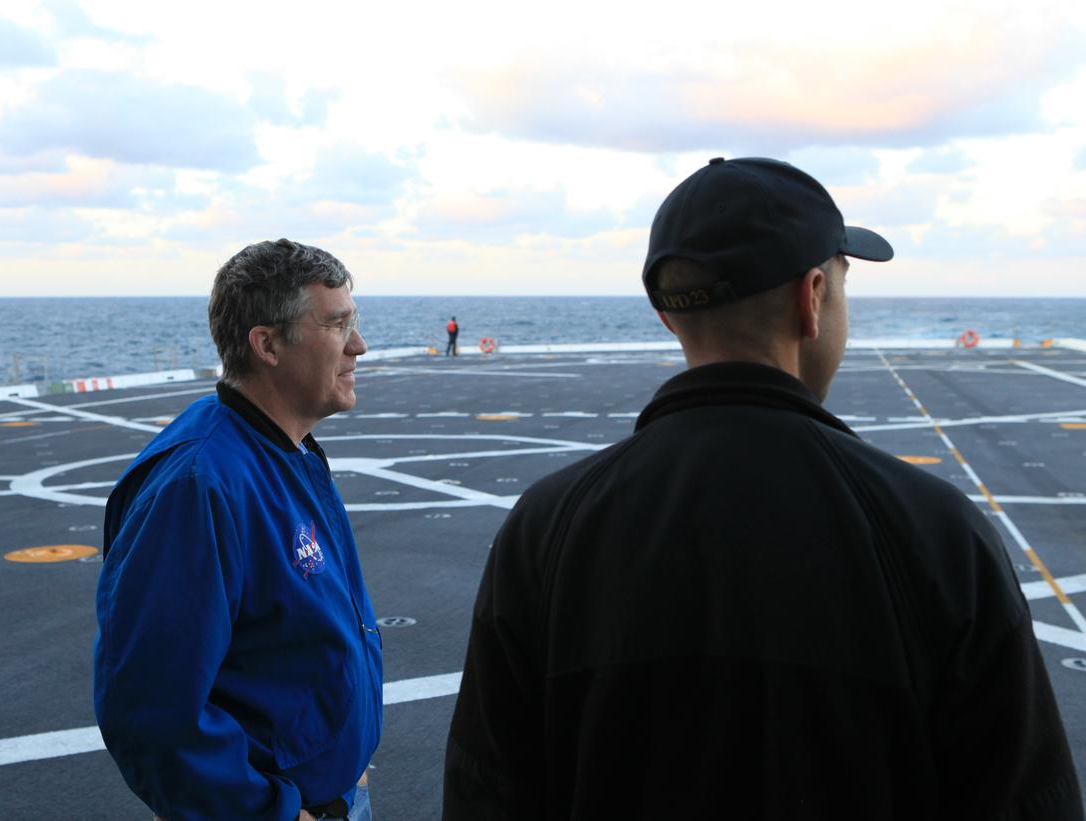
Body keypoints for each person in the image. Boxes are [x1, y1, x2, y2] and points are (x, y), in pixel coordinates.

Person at [443, 158, 1082, 819]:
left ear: (667, 316)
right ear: (812, 298)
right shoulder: (937, 529)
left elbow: (485, 792)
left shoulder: (545, 526)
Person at [95, 239, 382, 821]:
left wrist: (341, 751)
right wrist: (267, 810)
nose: (358, 346)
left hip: (333, 794)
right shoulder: (199, 484)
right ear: (267, 345)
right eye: (337, 325)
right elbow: (151, 711)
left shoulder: (285, 450)